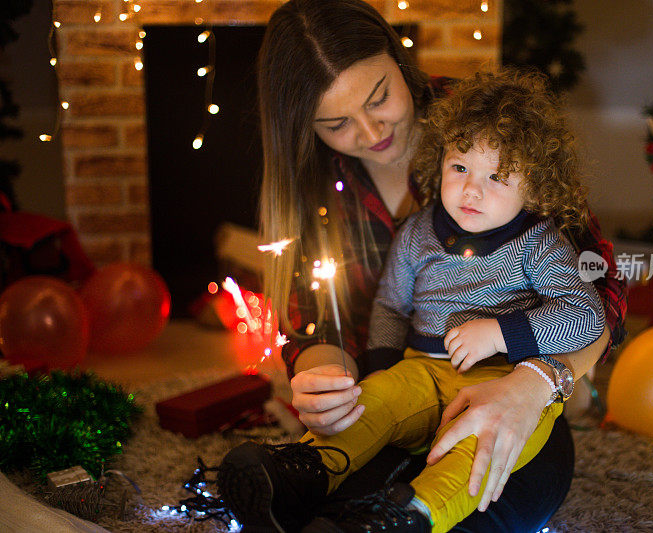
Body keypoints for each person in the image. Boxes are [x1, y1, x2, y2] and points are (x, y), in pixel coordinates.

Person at [218, 1, 627, 532]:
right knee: (336, 491)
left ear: (398, 56)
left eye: (379, 97)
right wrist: (328, 379)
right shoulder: (316, 180)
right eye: (337, 123)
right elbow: (322, 316)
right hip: (402, 383)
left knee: (486, 493)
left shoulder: (489, 128)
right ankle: (304, 475)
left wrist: (534, 381)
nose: (369, 132)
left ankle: (412, 515)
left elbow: (599, 299)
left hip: (513, 386)